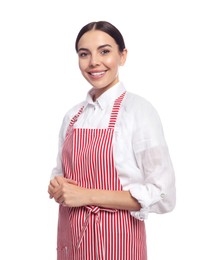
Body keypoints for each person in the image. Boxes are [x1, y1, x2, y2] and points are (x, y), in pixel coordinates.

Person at [48, 21, 176, 260]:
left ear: (122, 55)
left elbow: (163, 195)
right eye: (84, 54)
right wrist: (57, 185)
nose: (94, 62)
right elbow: (60, 174)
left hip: (119, 247)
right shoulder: (73, 116)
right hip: (72, 244)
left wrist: (87, 195)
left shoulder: (139, 112)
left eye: (104, 51)